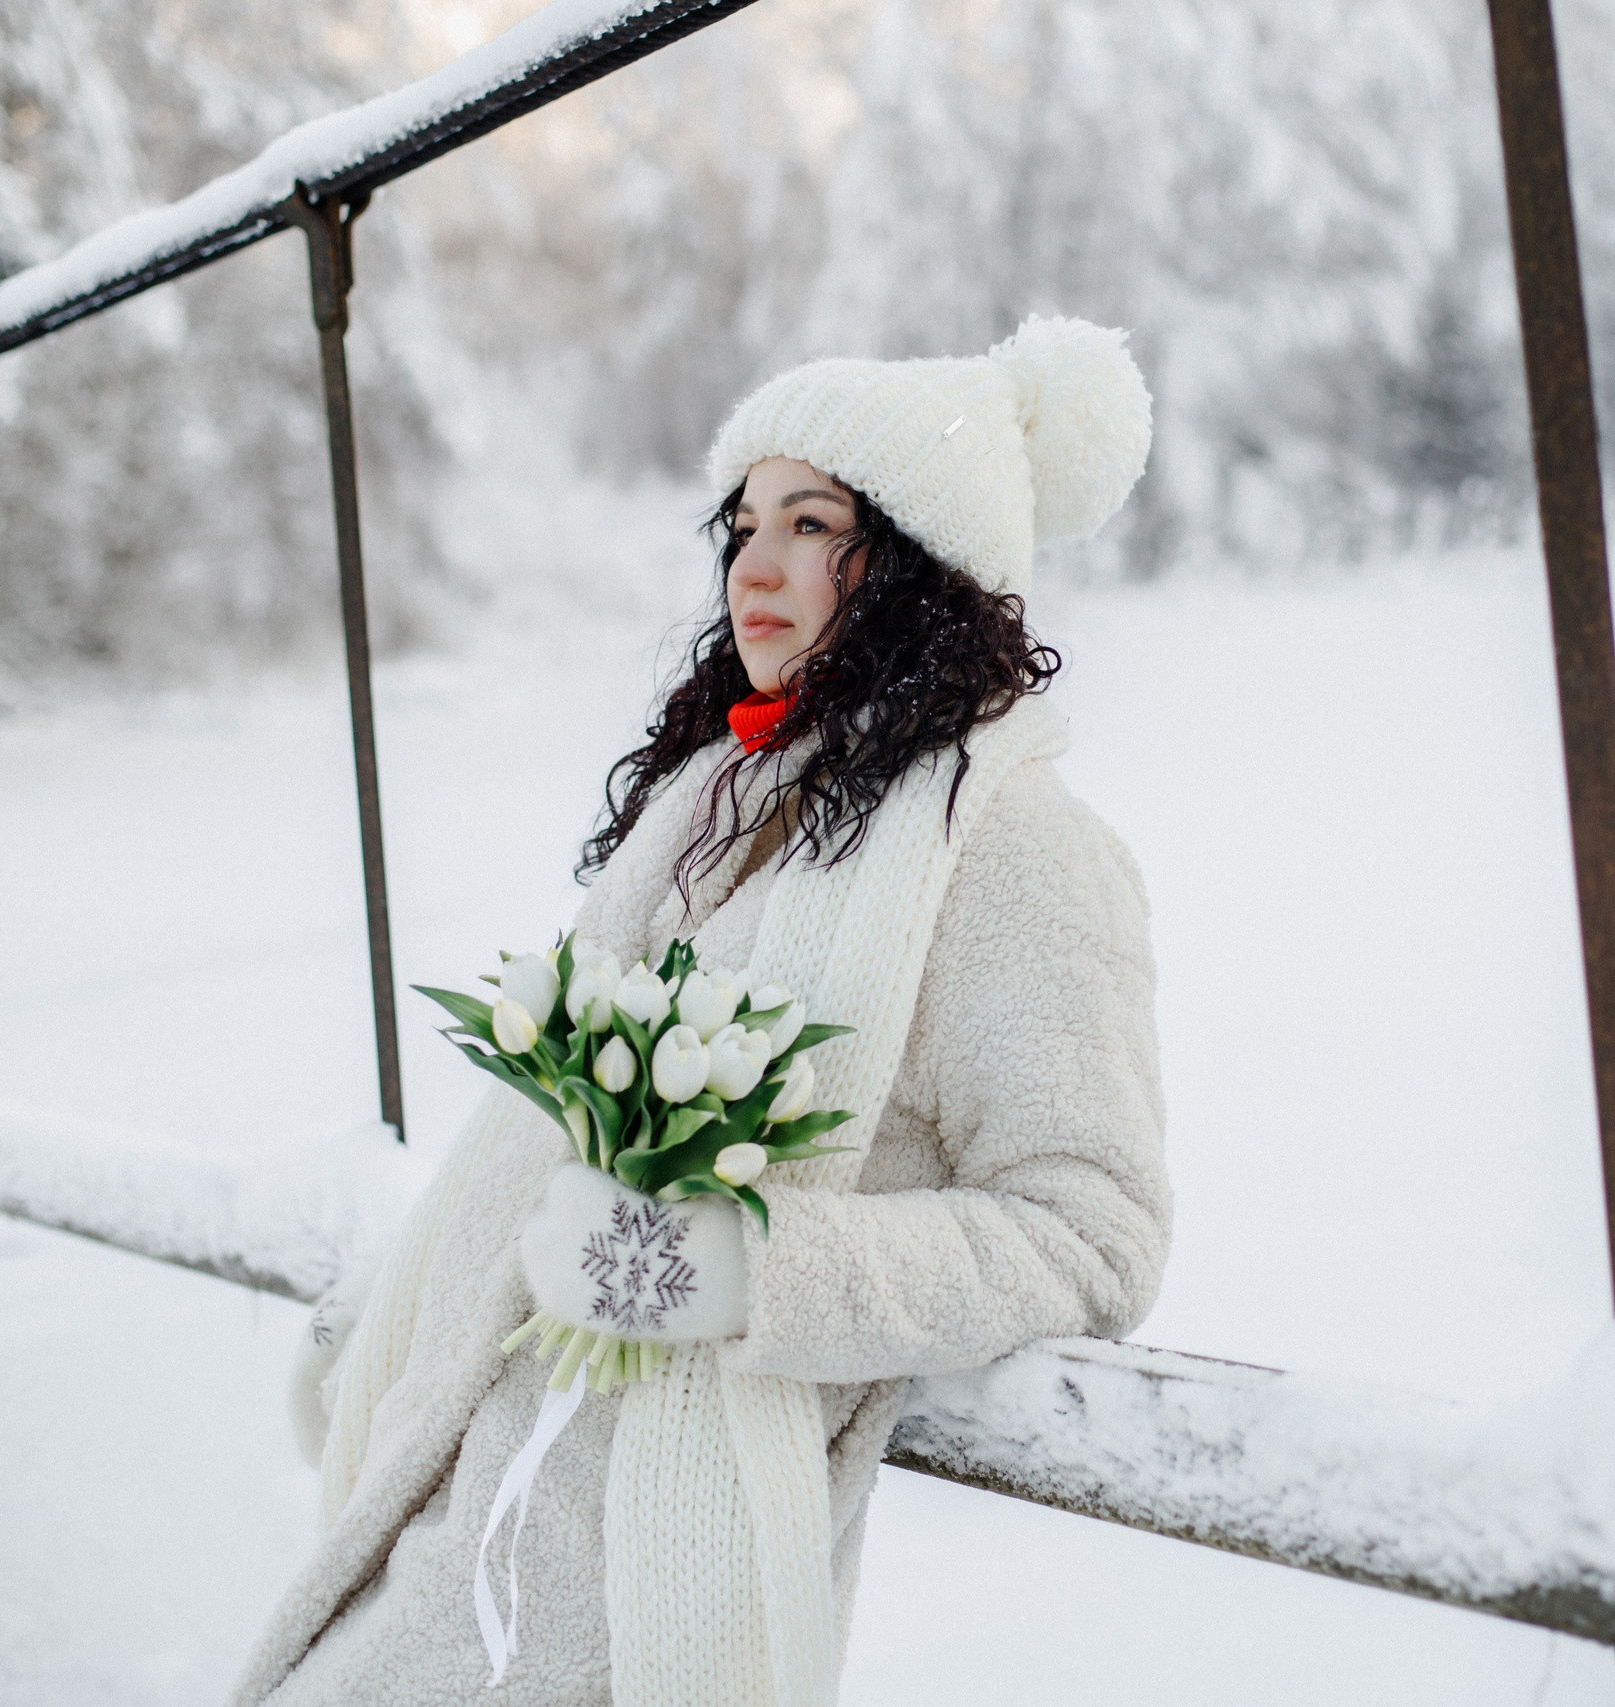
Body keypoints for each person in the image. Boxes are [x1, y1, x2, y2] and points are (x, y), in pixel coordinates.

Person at [234, 316, 1169, 1707]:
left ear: (919, 560)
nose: (756, 564)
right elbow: (542, 1155)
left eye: (814, 522)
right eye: (743, 522)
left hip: (645, 1589)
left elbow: (1092, 1240)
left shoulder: (1017, 851)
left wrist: (724, 1272)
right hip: (470, 1501)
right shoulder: (719, 808)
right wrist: (408, 1309)